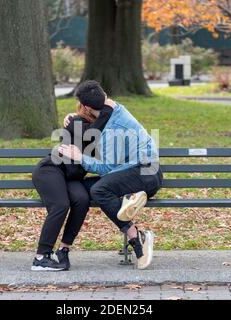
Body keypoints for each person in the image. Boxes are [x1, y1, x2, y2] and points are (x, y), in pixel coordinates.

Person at [60, 80, 163, 270]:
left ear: (87, 106)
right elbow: (98, 120)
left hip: (146, 172)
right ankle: (130, 198)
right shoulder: (113, 107)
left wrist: (79, 157)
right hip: (132, 173)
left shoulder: (113, 129)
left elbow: (107, 168)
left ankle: (136, 236)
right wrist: (76, 118)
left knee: (99, 189)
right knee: (83, 190)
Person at [31, 103, 113, 271]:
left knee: (82, 200)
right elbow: (93, 134)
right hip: (51, 170)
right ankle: (41, 257)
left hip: (70, 177)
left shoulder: (102, 131)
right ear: (88, 108)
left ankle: (63, 250)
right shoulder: (76, 122)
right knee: (60, 205)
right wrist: (108, 109)